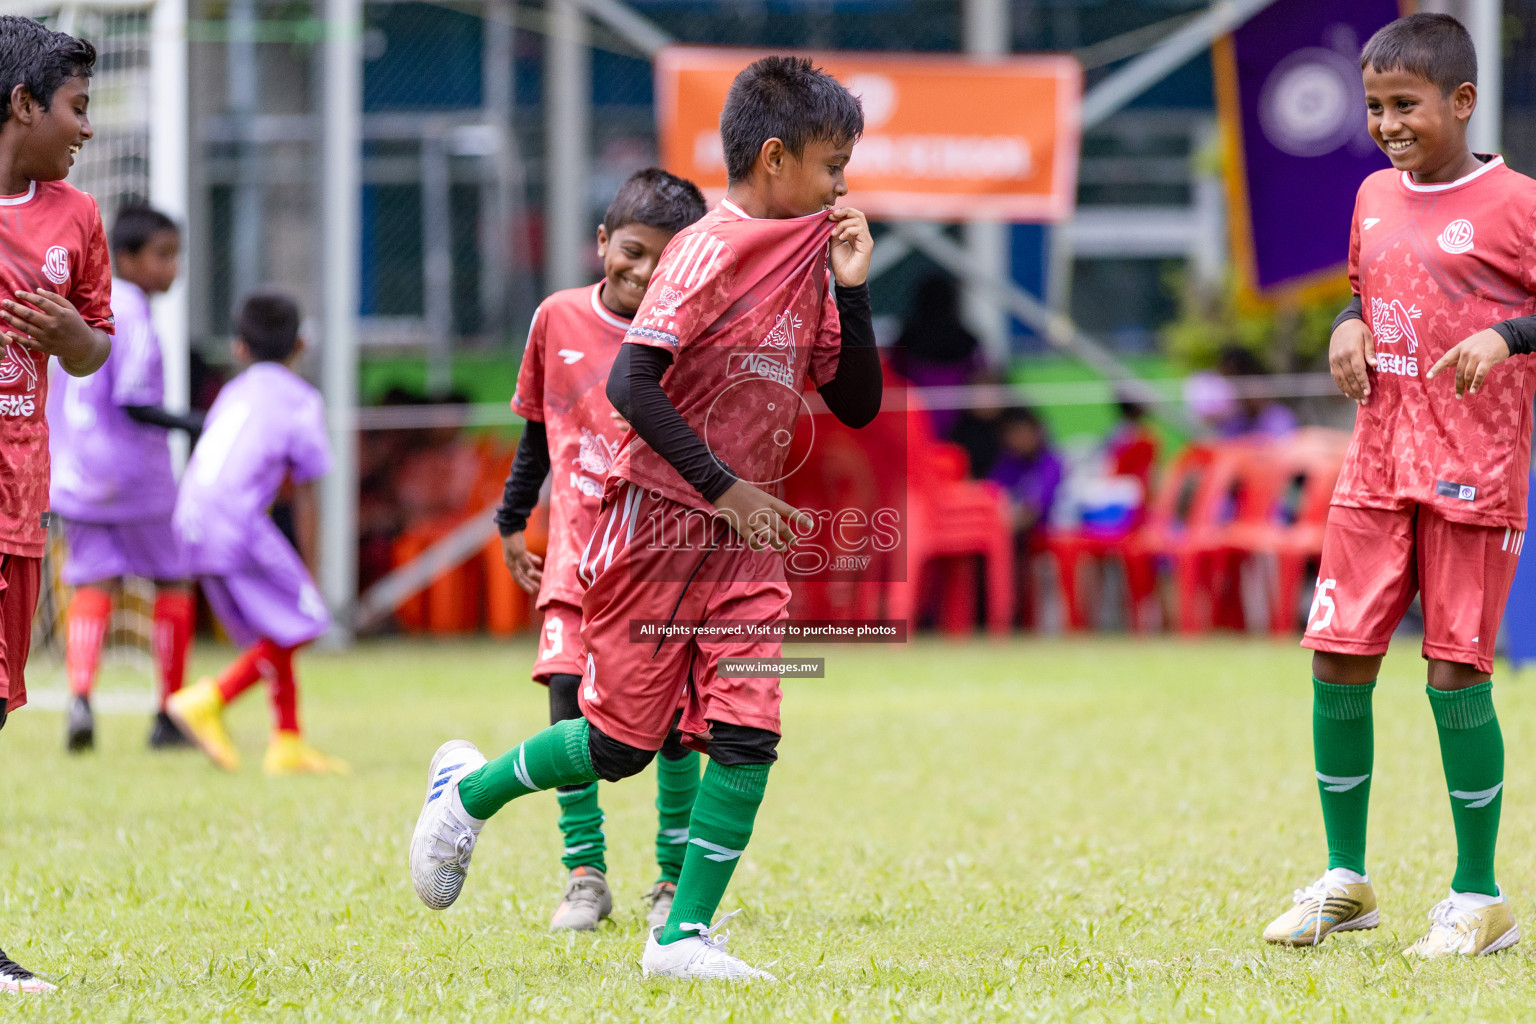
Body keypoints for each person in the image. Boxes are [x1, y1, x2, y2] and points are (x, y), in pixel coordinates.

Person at [411, 55, 881, 980]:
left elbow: (858, 401)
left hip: (745, 545)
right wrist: (725, 488)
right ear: (777, 159)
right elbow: (634, 380)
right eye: (833, 166)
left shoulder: (808, 253)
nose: (842, 185)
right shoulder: (705, 249)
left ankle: (682, 937)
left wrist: (855, 288)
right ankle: (465, 794)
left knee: (748, 733)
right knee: (622, 745)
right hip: (658, 521)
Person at [1265, 13, 1536, 958]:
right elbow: (1368, 285)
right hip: (1376, 466)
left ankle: (1479, 896)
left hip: (1474, 472)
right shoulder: (1373, 195)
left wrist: (1507, 336)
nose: (1387, 123)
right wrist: (1346, 322)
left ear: (1462, 102)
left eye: (1406, 104)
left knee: (1454, 672)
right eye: (1376, 105)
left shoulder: (1518, 204)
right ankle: (1347, 877)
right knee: (1337, 658)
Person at [495, 168, 708, 933]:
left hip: (665, 570)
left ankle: (672, 877)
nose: (643, 270)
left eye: (663, 259)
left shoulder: (693, 337)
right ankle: (585, 874)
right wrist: (512, 517)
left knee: (680, 723)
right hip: (577, 557)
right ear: (601, 245)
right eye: (630, 250)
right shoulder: (555, 319)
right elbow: (536, 428)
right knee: (563, 698)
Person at [0, 15, 112, 994]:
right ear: (22, 105)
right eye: (75, 107)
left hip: (18, 498)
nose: (85, 128)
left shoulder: (74, 219)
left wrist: (71, 331)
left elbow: (93, 352)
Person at [166, 289, 347, 776]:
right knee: (305, 618)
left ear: (239, 348)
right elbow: (306, 493)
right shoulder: (301, 400)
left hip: (189, 515)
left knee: (275, 626)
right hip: (235, 519)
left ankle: (287, 741)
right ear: (302, 345)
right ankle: (209, 699)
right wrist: (309, 569)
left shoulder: (233, 390)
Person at [47, 204, 200, 753]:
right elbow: (136, 400)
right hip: (135, 478)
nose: (173, 267)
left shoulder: (82, 307)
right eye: (164, 255)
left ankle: (81, 698)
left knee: (93, 584)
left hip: (76, 475)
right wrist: (195, 423)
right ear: (129, 259)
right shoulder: (132, 311)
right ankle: (169, 713)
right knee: (174, 580)